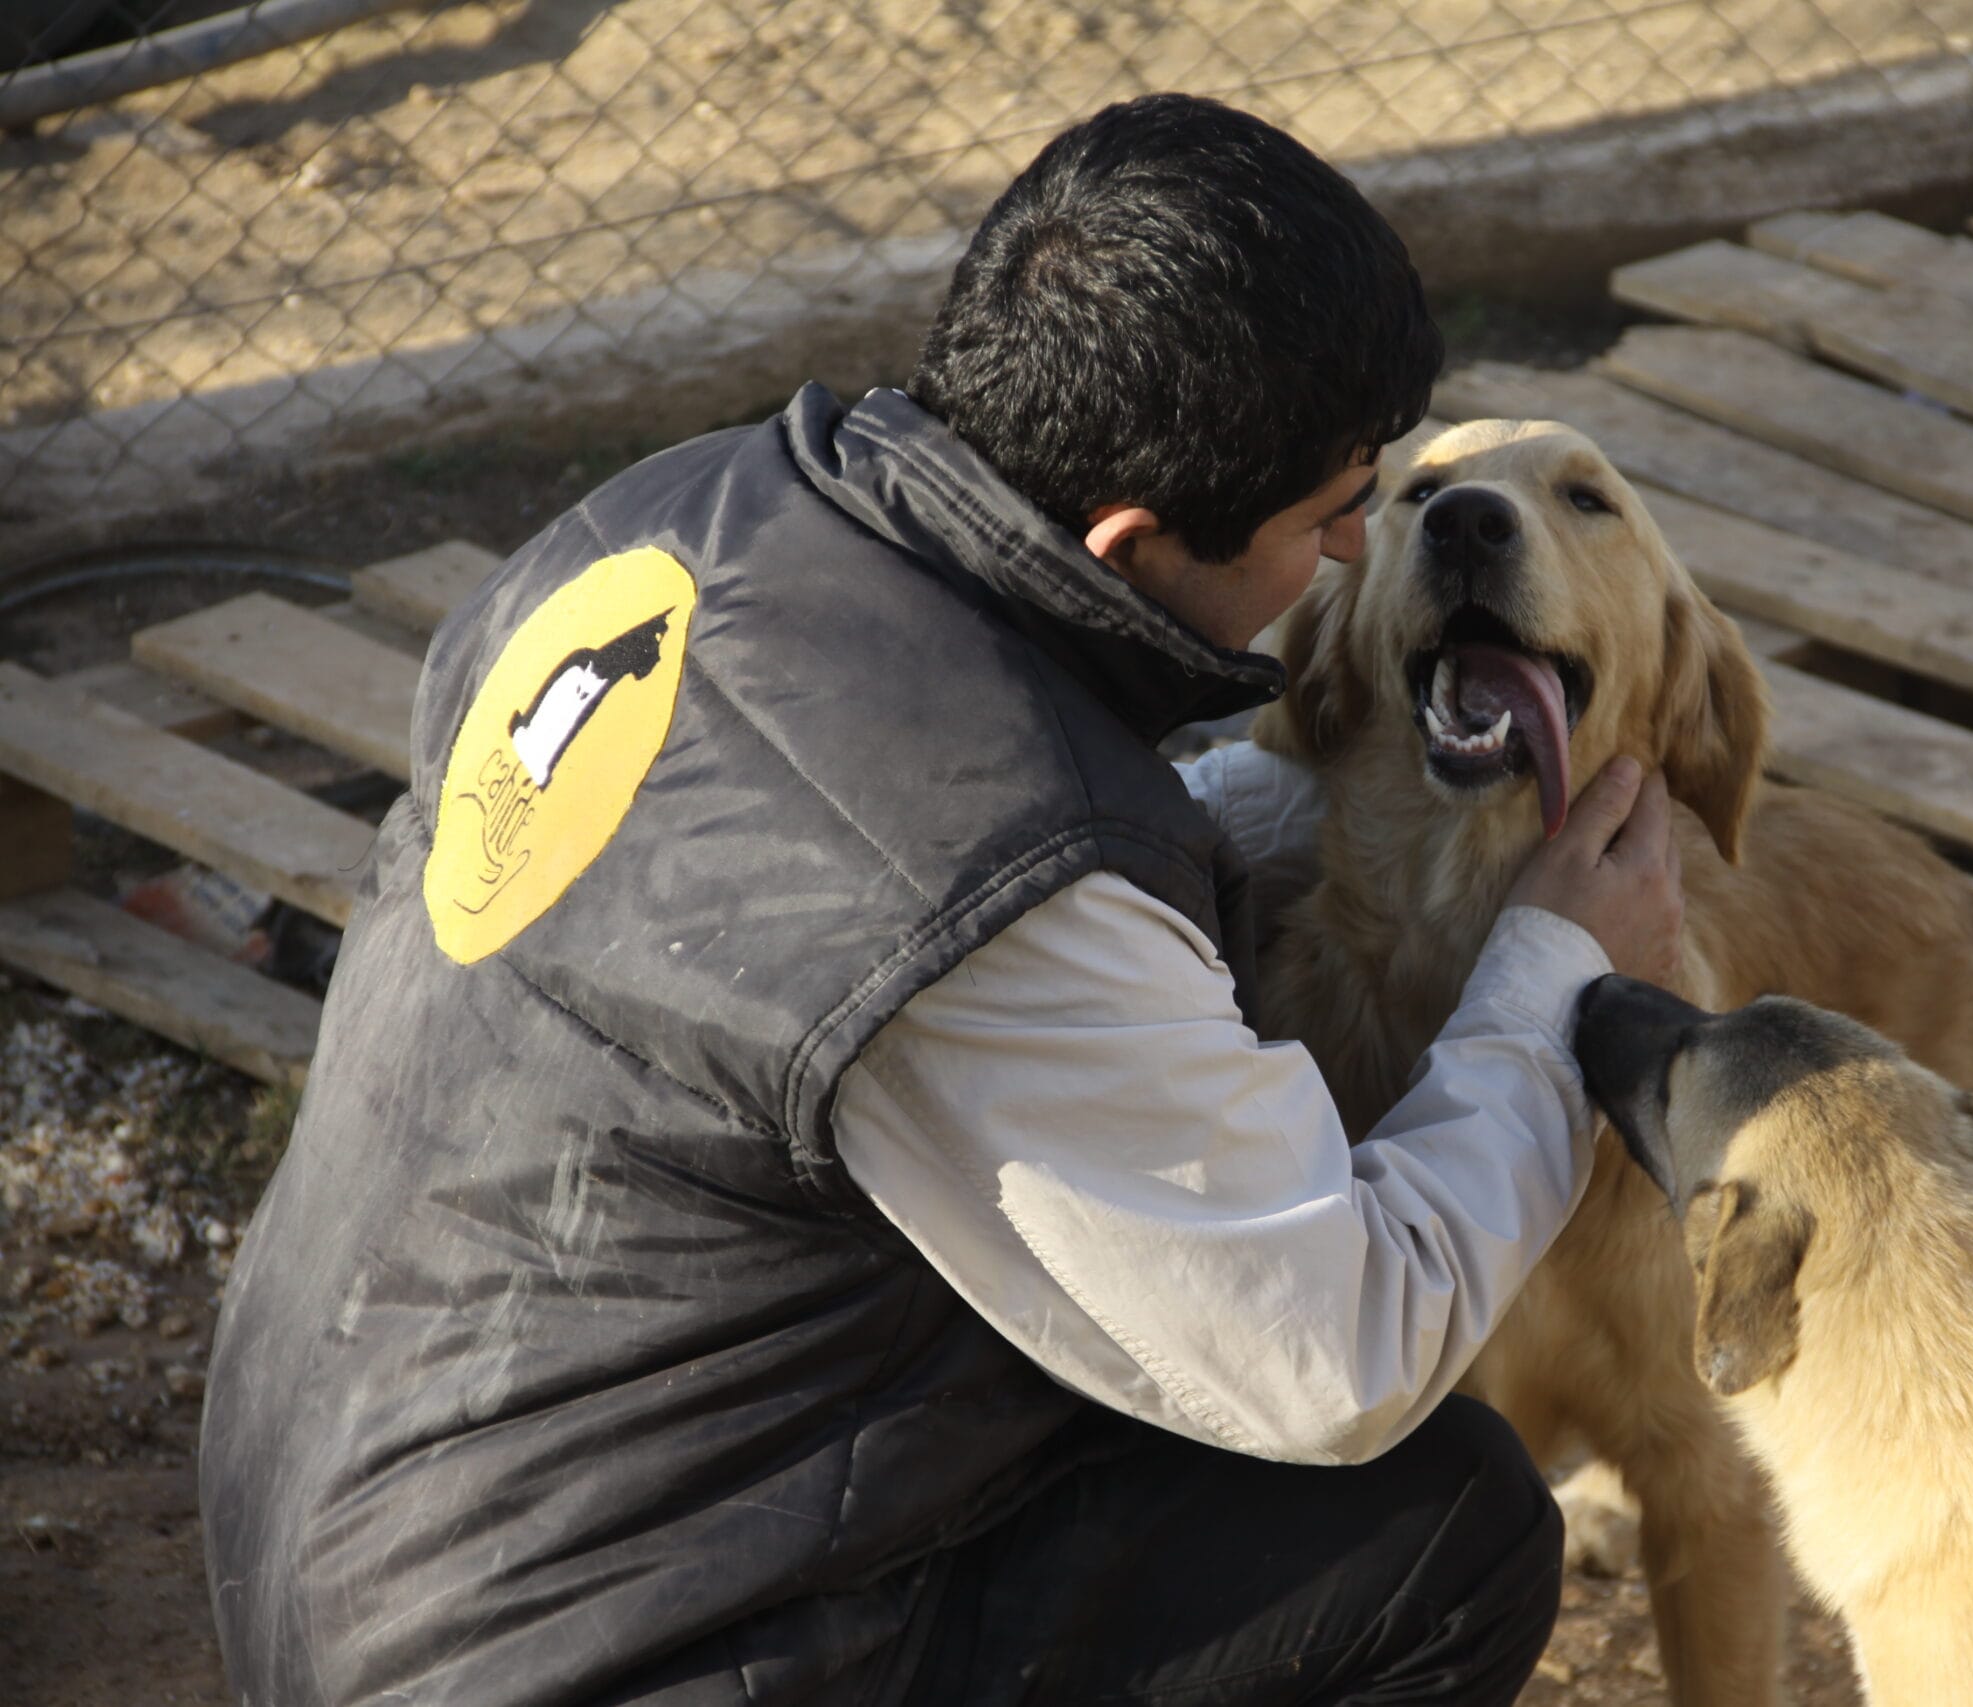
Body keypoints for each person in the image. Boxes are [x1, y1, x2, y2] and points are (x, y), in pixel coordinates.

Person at [199, 92, 1683, 1707]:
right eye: (1325, 517)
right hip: (599, 1656)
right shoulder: (998, 905)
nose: (1344, 554)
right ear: (1130, 539)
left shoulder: (664, 526)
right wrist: (1545, 988)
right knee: (1436, 1530)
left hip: (348, 1530)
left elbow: (852, 859)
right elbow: (1336, 1353)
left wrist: (1292, 806)